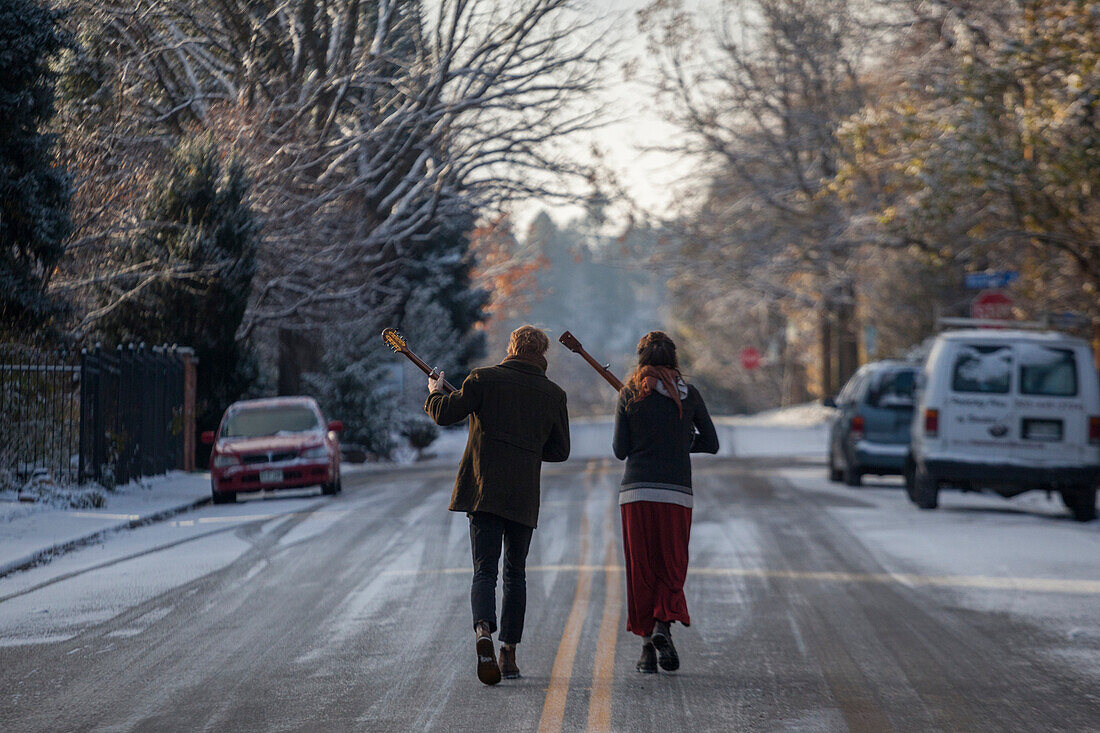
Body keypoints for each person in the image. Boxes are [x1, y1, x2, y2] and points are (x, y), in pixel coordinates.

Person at [424, 325, 570, 685]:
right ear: (542, 354)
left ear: (511, 348)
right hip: (522, 495)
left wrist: (433, 393)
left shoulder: (481, 380)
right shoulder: (553, 394)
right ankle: (509, 654)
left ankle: (483, 633)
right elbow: (560, 451)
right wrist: (528, 448)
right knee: (515, 574)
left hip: (484, 491)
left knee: (484, 571)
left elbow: (445, 413)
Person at [612, 331, 719, 673]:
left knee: (641, 568)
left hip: (636, 494)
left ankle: (646, 650)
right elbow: (711, 443)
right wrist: (680, 443)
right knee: (671, 566)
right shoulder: (689, 395)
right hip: (675, 493)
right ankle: (662, 624)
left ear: (641, 360)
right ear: (674, 360)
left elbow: (620, 450)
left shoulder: (630, 393)